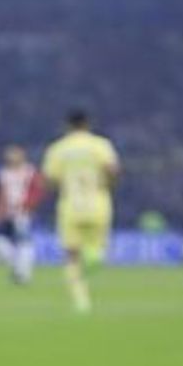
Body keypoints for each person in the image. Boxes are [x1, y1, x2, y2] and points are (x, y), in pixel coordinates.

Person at [42, 109, 120, 313]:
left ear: (67, 125)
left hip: (71, 206)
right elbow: (112, 169)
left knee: (71, 255)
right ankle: (95, 256)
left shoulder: (58, 148)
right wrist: (109, 184)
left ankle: (81, 301)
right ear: (87, 123)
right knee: (96, 248)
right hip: (99, 203)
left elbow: (50, 179)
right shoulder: (100, 145)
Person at [0, 145, 45, 285]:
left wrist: (27, 205)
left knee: (24, 243)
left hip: (23, 214)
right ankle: (18, 267)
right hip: (6, 214)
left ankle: (23, 273)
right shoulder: (2, 173)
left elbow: (38, 191)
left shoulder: (30, 172)